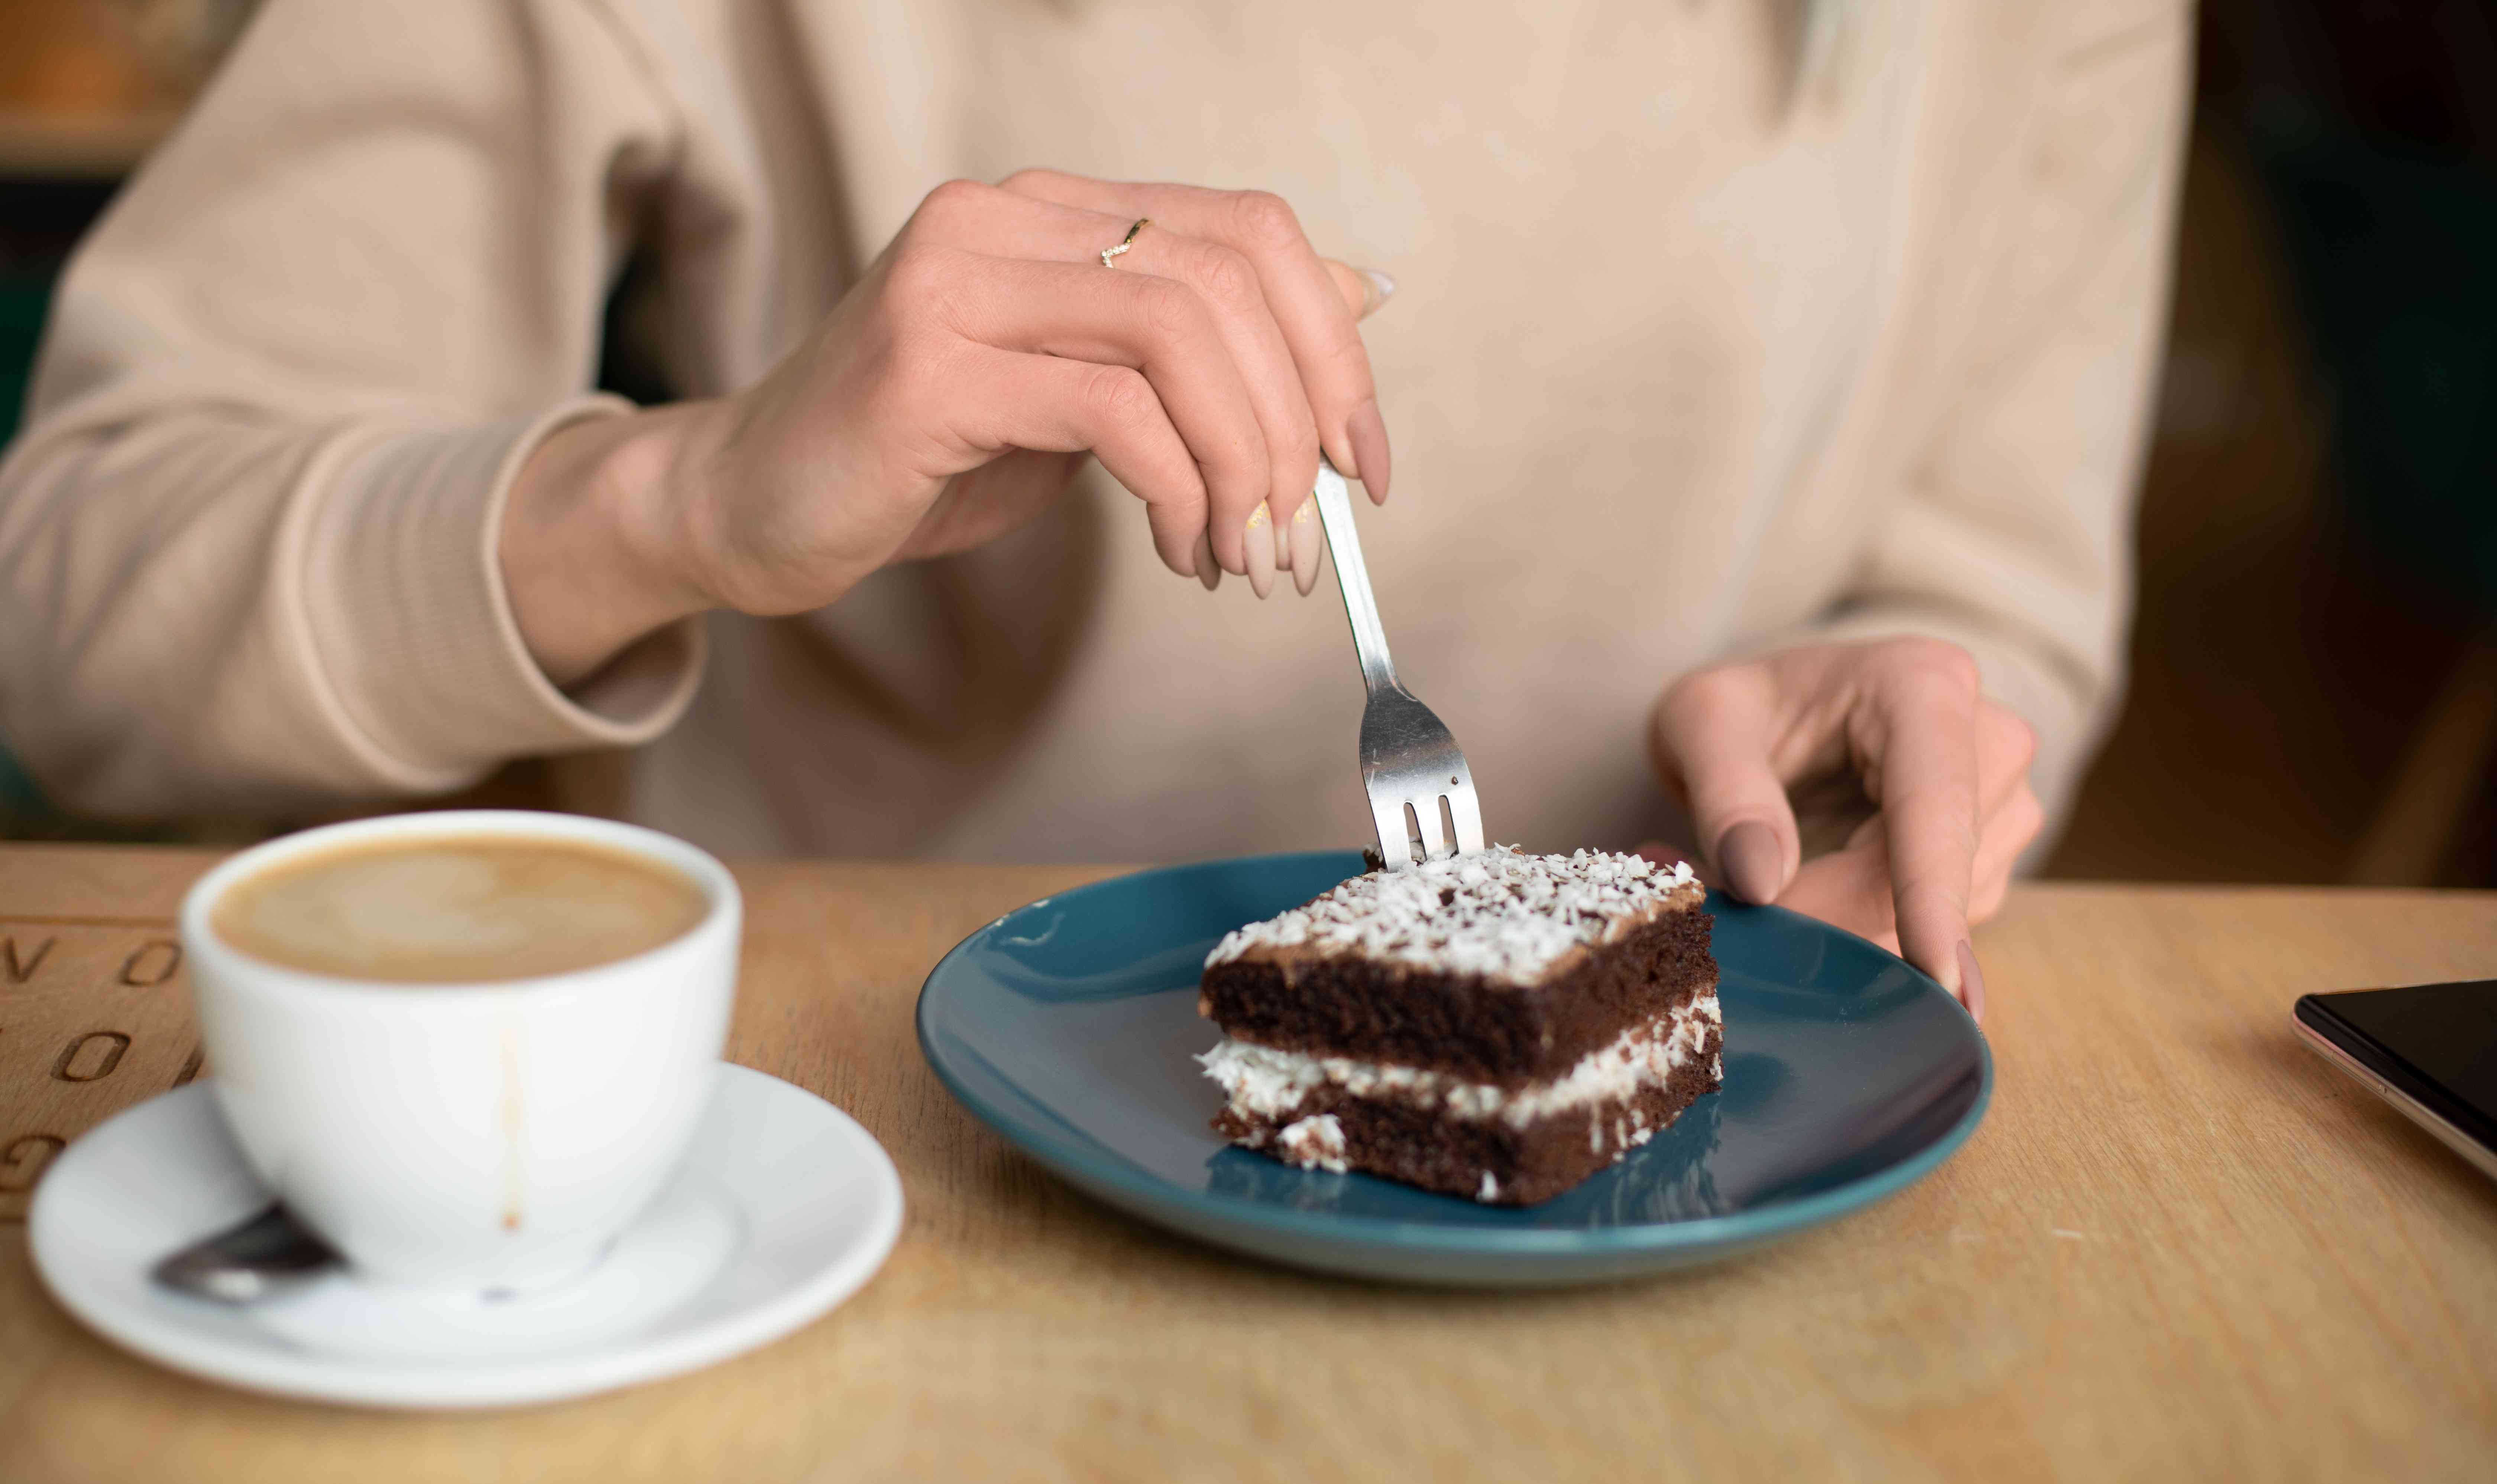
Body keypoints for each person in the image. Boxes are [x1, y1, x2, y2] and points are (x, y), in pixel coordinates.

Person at [0, 0, 2191, 1018]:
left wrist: (1889, 763)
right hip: (845, 1165)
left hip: (1698, 1197)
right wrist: (681, 492)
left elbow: (1992, 616)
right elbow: (73, 593)